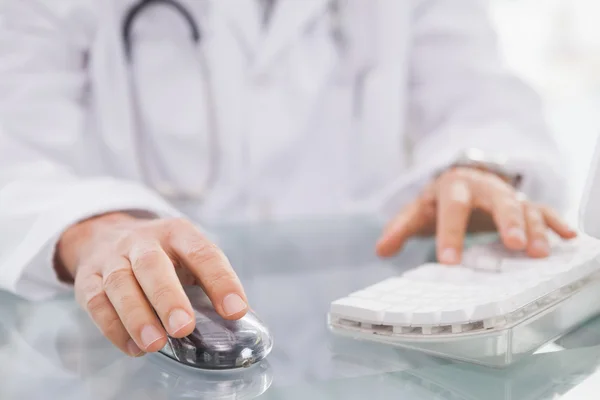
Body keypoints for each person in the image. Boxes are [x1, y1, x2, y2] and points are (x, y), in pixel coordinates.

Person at [0, 0, 576, 358]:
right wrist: (91, 228)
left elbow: (484, 95)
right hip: (124, 345)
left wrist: (476, 167)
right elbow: (13, 155)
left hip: (360, 340)